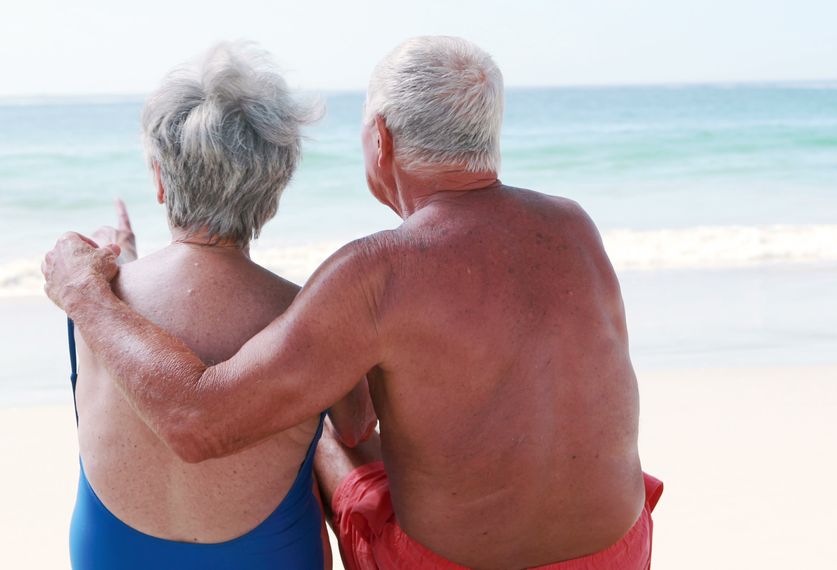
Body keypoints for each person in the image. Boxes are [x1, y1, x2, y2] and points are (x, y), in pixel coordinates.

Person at [43, 36, 661, 569]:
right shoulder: (574, 227)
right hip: (618, 551)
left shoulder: (377, 272)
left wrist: (85, 291)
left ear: (381, 139)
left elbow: (201, 422)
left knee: (311, 417)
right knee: (335, 400)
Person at [62, 43, 346, 569]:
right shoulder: (310, 314)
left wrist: (125, 263)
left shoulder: (94, 295)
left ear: (160, 180)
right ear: (274, 192)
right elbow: (352, 430)